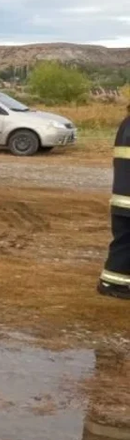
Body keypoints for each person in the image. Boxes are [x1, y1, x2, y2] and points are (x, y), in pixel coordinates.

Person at [98, 103, 130, 300]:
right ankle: (110, 282)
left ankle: (111, 281)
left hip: (122, 198)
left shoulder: (126, 123)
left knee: (124, 241)